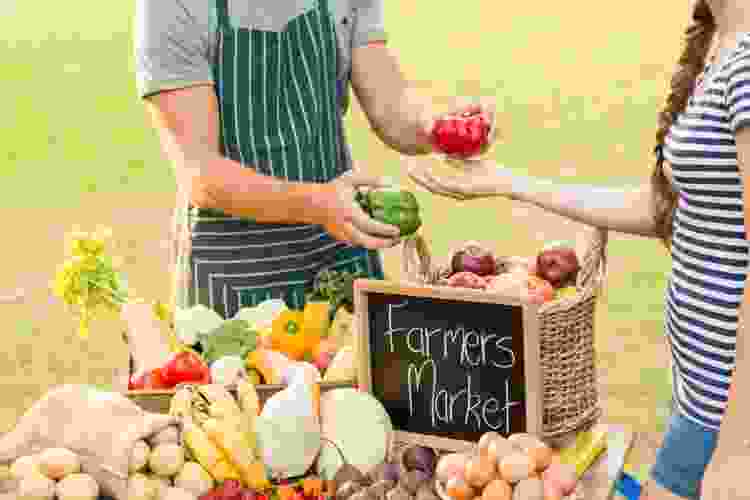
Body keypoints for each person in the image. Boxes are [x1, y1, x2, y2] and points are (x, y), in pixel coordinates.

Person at [407, 0, 750, 498]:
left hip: (724, 417)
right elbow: (663, 209)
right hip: (700, 397)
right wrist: (506, 181)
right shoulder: (722, 46)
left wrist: (736, 450)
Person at [133, 0, 495, 319]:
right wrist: (319, 205)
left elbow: (393, 111)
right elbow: (202, 175)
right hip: (232, 279)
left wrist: (442, 129)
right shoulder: (172, 5)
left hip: (340, 264)